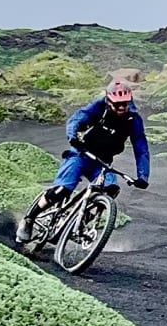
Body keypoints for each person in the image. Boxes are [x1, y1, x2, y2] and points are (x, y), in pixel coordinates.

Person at [15, 80, 151, 247]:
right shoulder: (99, 108)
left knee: (111, 189)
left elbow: (141, 147)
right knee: (62, 189)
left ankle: (81, 221)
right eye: (118, 105)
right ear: (109, 101)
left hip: (102, 163)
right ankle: (29, 219)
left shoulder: (133, 119)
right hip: (81, 155)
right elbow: (78, 119)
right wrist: (73, 136)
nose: (122, 108)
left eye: (125, 104)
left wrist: (143, 176)